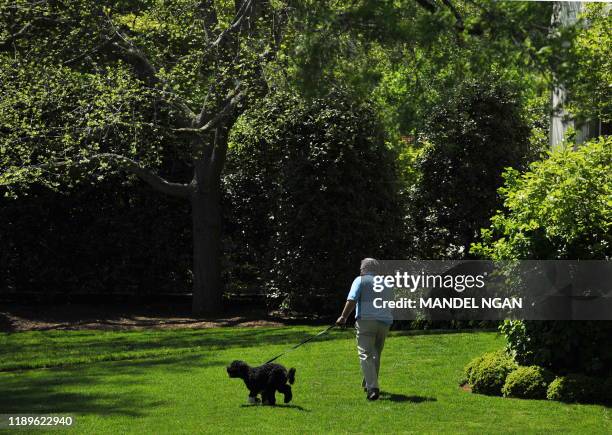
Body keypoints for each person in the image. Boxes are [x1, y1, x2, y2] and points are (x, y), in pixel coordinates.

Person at [336, 258, 393, 401]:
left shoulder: (360, 280)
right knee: (376, 354)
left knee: (365, 354)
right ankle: (368, 384)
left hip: (366, 321)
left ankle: (373, 388)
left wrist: (343, 317)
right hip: (385, 322)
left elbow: (352, 299)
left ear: (364, 269)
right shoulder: (386, 282)